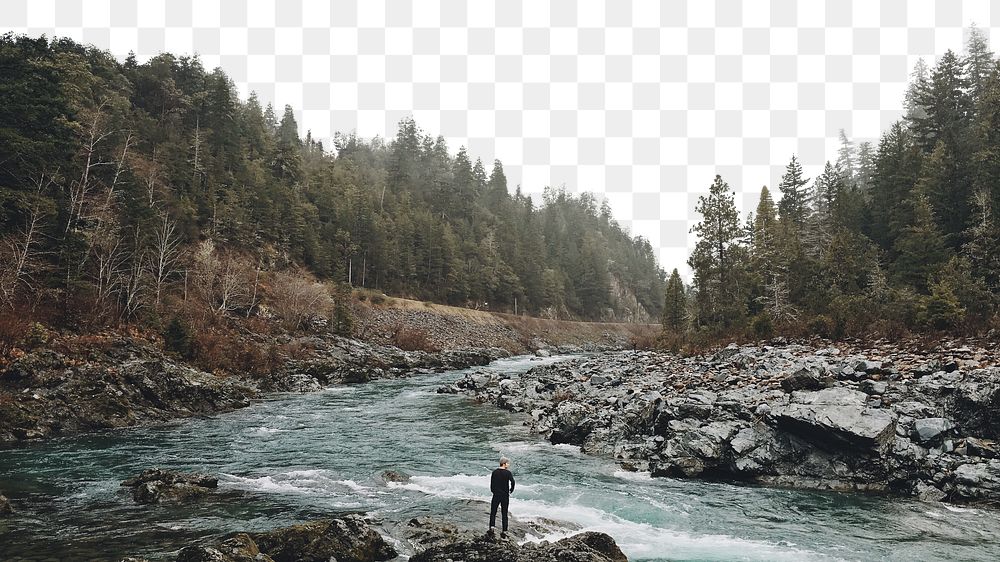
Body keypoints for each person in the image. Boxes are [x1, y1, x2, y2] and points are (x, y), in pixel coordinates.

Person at [488, 457, 515, 537]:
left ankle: (492, 528)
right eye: (508, 463)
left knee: (493, 512)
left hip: (496, 495)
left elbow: (492, 485)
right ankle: (504, 530)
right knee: (504, 513)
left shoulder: (494, 472)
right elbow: (513, 482)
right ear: (504, 463)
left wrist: (494, 492)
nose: (508, 464)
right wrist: (510, 491)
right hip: (505, 496)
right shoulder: (508, 473)